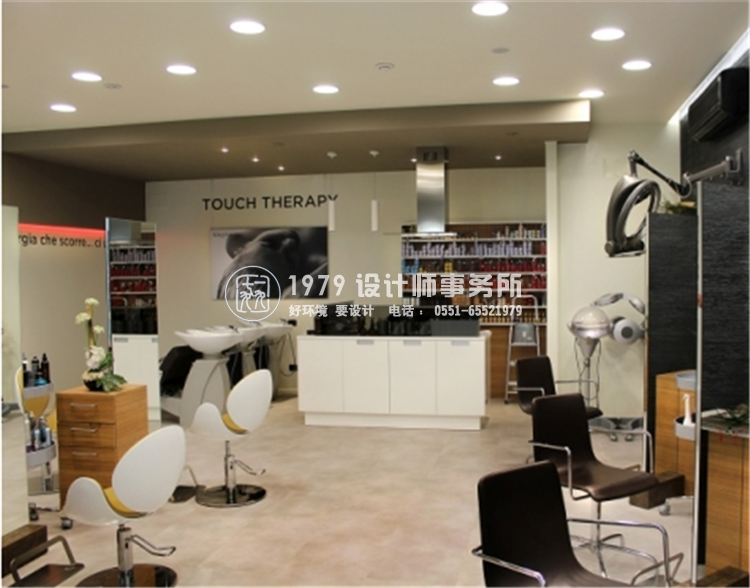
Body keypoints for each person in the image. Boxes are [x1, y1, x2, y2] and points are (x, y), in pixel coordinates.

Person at [217, 227, 328, 300]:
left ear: (240, 250)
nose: (290, 242)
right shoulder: (317, 272)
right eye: (290, 261)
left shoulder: (237, 238)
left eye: (270, 244)